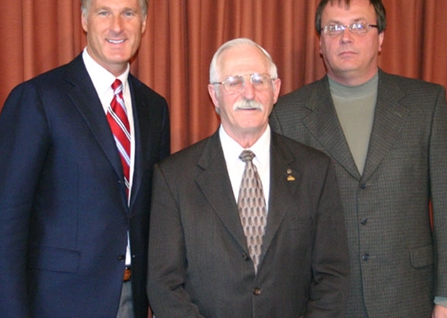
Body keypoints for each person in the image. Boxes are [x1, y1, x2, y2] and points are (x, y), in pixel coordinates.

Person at [270, 0, 447, 318]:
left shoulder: (426, 104)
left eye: (359, 26)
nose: (346, 37)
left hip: (409, 296)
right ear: (320, 43)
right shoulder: (287, 115)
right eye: (333, 28)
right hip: (323, 303)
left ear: (380, 39)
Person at [0, 0, 170, 317]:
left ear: (143, 23)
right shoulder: (38, 98)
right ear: (84, 19)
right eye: (104, 12)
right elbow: (3, 220)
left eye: (128, 13)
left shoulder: (154, 108)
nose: (117, 26)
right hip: (56, 303)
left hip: (132, 299)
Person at [146, 38, 350, 317]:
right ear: (214, 95)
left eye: (259, 79)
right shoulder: (173, 177)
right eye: (233, 82)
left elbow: (333, 275)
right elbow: (164, 284)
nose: (249, 92)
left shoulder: (315, 170)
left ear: (275, 90)